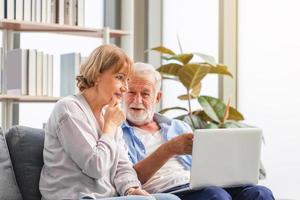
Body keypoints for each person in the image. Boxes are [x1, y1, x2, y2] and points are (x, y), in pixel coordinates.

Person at [39, 45, 180, 200]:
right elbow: (95, 167)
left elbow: (122, 165)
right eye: (120, 78)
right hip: (77, 197)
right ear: (97, 75)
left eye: (127, 80)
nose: (125, 88)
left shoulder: (108, 112)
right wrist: (110, 127)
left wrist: (131, 189)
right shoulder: (68, 109)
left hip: (108, 197)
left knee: (170, 199)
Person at [122, 62, 275, 200]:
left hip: (199, 185)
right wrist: (170, 149)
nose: (137, 100)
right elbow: (127, 179)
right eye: (131, 92)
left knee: (260, 193)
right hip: (171, 191)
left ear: (157, 97)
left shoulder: (178, 126)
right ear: (123, 93)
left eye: (145, 94)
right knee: (216, 196)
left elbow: (206, 165)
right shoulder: (118, 133)